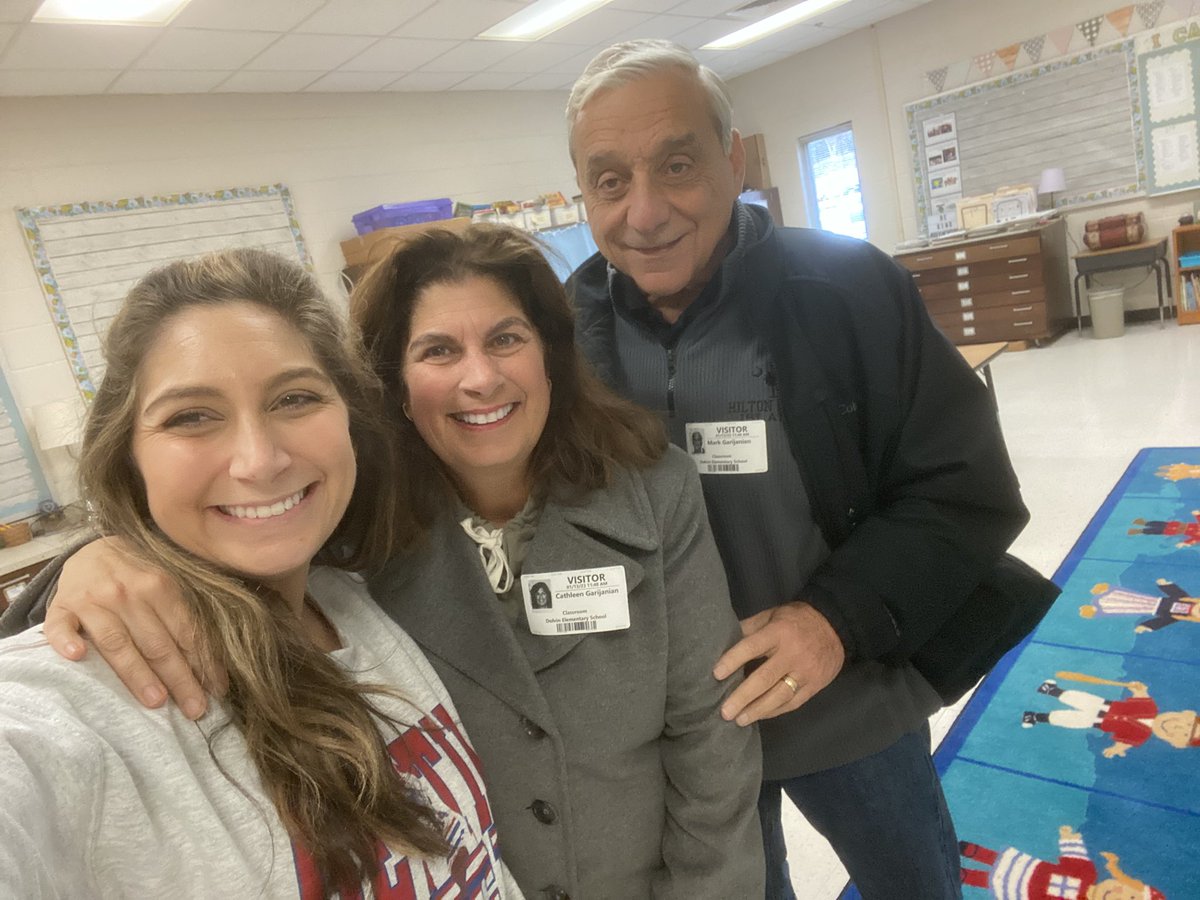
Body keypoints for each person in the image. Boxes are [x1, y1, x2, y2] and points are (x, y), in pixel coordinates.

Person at [1, 227, 764, 898]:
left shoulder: (342, 585)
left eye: (505, 339)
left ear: (551, 355)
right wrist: (96, 559)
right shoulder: (349, 535)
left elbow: (710, 735)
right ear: (390, 383)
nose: (479, 377)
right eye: (437, 350)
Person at [565, 40, 1057, 898]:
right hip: (687, 729)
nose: (643, 213)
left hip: (850, 689)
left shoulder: (846, 289)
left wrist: (834, 622)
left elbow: (964, 487)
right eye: (609, 181)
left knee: (916, 881)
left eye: (676, 164)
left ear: (732, 156)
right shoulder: (568, 336)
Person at [0, 249, 519, 898]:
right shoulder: (78, 696)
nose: (259, 459)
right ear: (128, 456)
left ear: (351, 420)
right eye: (192, 416)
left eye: (294, 398)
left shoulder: (358, 600)